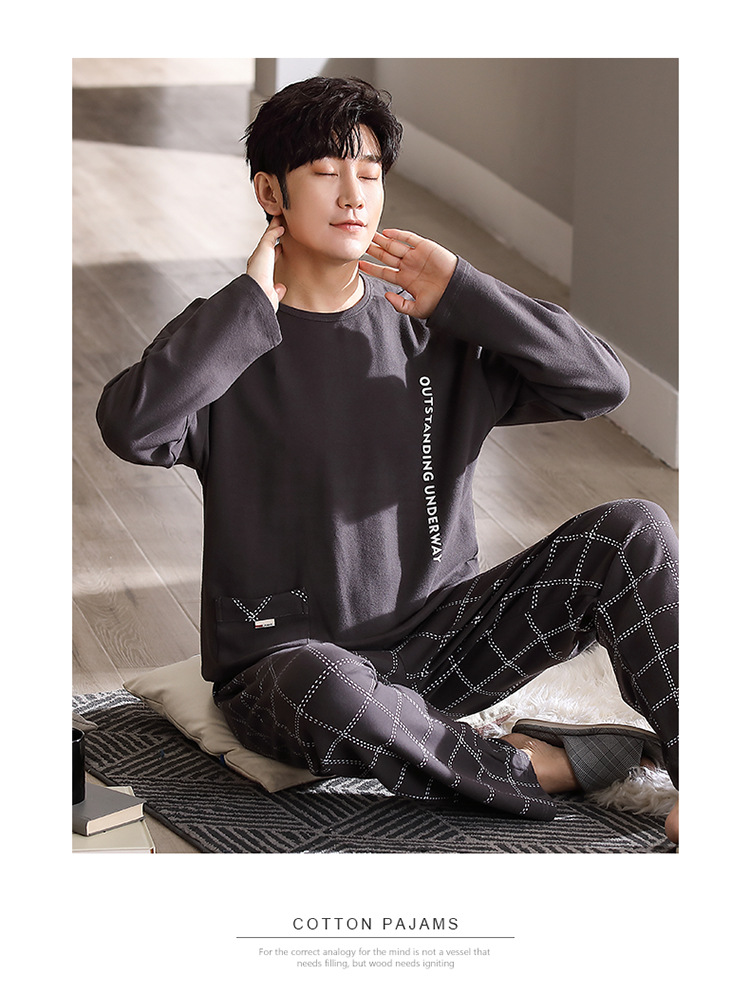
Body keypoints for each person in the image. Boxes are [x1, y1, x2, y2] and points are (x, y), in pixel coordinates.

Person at [96, 76, 679, 844]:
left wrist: (466, 290)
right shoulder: (226, 337)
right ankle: (550, 765)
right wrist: (248, 306)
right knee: (325, 682)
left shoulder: (432, 330)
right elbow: (132, 427)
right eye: (325, 172)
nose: (353, 196)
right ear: (270, 193)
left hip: (445, 645)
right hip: (292, 669)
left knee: (634, 531)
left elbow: (601, 382)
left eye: (369, 175)